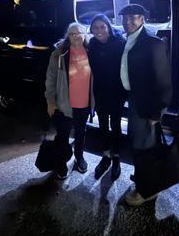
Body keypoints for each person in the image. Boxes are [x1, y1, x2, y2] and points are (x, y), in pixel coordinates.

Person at [118, 4, 173, 206]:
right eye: (124, 18)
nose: (127, 22)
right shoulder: (128, 40)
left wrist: (157, 112)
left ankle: (146, 191)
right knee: (138, 144)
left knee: (145, 147)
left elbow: (164, 82)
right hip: (134, 100)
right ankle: (143, 178)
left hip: (147, 106)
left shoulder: (152, 43)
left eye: (133, 18)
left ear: (142, 19)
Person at [45, 22, 94, 179]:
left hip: (84, 103)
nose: (76, 36)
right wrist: (50, 101)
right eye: (72, 34)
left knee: (81, 132)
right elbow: (50, 79)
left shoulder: (91, 51)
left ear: (85, 34)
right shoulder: (59, 54)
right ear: (67, 36)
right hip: (64, 103)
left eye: (79, 33)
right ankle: (61, 161)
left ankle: (79, 156)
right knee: (63, 134)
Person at [88, 14, 126, 181]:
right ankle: (105, 157)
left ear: (109, 27)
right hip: (100, 92)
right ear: (91, 30)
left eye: (102, 27)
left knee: (116, 126)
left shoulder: (120, 43)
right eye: (95, 28)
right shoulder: (93, 45)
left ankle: (116, 158)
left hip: (117, 92)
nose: (99, 30)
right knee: (103, 125)